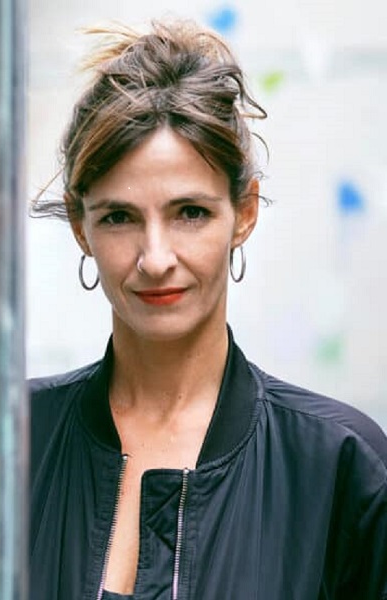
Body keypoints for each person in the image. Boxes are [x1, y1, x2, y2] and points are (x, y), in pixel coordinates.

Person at [29, 19, 387, 600]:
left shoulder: (342, 464)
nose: (155, 258)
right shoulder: (3, 443)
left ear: (243, 213)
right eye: (119, 217)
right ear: (79, 225)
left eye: (190, 213)